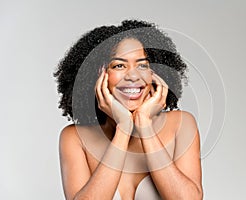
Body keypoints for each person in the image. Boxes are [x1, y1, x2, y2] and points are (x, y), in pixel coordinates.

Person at [54, 19, 203, 200]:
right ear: (98, 74)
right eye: (119, 65)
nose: (133, 75)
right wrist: (123, 128)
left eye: (142, 65)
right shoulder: (75, 137)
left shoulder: (181, 124)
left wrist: (145, 126)